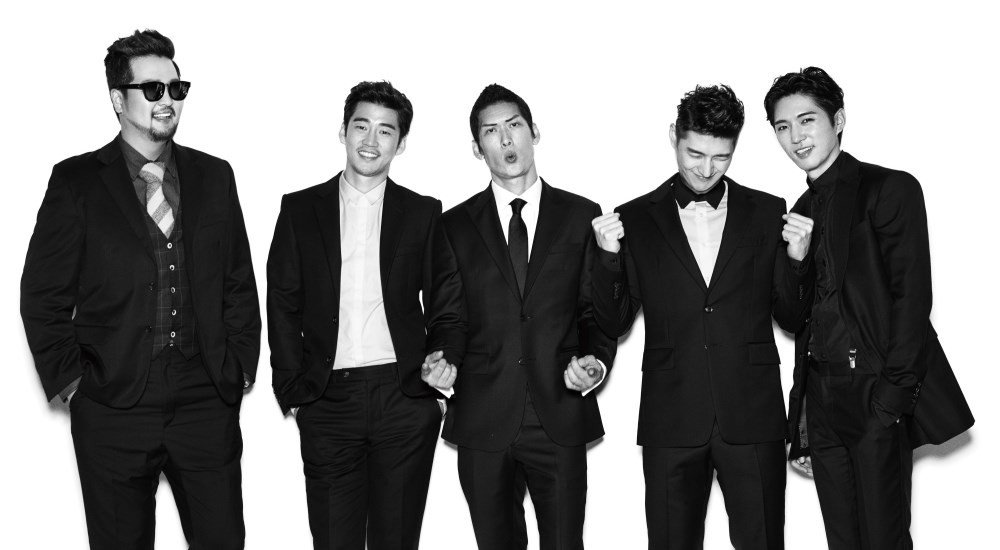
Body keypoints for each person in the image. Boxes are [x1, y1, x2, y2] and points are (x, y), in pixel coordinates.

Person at [20, 29, 260, 549]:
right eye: (152, 89)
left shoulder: (214, 175)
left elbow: (238, 281)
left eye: (176, 88)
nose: (167, 100)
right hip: (113, 403)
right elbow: (42, 294)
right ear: (117, 99)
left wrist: (239, 368)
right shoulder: (77, 181)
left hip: (204, 398)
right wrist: (74, 386)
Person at [590, 85, 810, 549]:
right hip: (671, 416)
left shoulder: (768, 211)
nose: (706, 169)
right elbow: (614, 323)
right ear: (674, 135)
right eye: (695, 154)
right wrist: (608, 257)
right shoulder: (635, 218)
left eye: (721, 157)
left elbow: (791, 318)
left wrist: (796, 260)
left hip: (753, 414)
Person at [764, 66, 975, 549]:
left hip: (875, 392)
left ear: (837, 120)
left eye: (807, 120)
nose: (796, 137)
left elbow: (912, 298)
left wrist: (890, 400)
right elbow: (792, 319)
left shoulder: (889, 188)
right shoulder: (798, 212)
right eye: (782, 127)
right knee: (842, 540)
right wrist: (796, 261)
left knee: (884, 539)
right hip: (821, 400)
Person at [421, 84, 616, 550]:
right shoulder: (452, 226)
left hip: (559, 411)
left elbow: (594, 312)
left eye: (514, 126)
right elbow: (448, 318)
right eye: (491, 131)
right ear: (477, 147)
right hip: (483, 416)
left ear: (535, 132)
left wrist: (595, 362)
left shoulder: (581, 215)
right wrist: (441, 360)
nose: (506, 139)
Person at [267, 81, 443, 550]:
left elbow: (446, 303)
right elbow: (282, 301)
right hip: (328, 398)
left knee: (396, 540)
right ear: (343, 131)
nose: (371, 140)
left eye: (385, 131)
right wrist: (295, 392)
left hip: (403, 396)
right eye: (361, 126)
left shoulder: (423, 213)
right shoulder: (300, 209)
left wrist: (438, 388)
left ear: (400, 143)